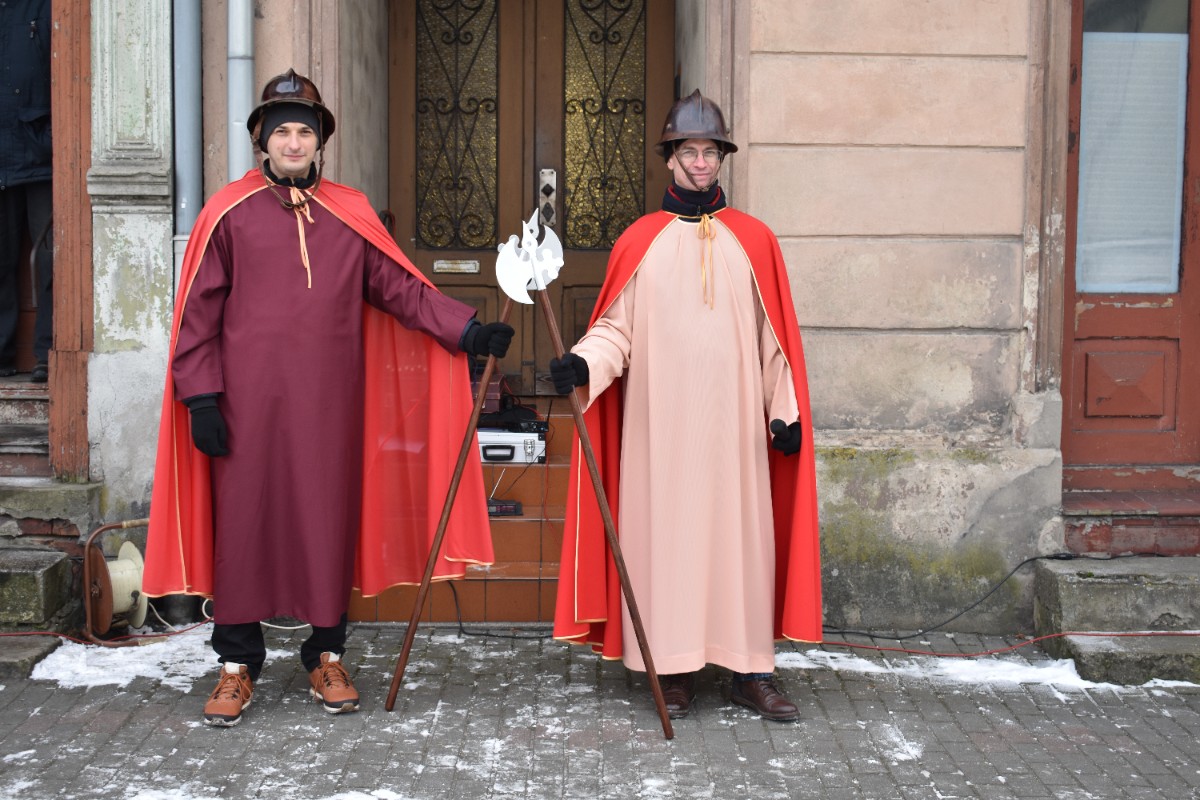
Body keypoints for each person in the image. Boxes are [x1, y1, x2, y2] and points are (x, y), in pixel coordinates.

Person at [143, 69, 512, 727]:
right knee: (243, 527)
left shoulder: (348, 212)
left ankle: (326, 654)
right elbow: (196, 315)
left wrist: (468, 330)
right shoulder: (227, 212)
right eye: (282, 131)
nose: (293, 142)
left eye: (304, 132)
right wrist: (201, 398)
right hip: (245, 407)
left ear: (319, 142)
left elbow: (401, 289)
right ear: (262, 139)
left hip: (329, 408)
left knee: (325, 524)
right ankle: (237, 664)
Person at [549, 90, 821, 721]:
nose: (700, 163)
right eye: (689, 152)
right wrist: (584, 364)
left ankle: (750, 670)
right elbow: (616, 330)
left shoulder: (755, 240)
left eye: (710, 153)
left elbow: (775, 340)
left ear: (721, 158)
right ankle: (671, 669)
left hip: (735, 435)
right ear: (670, 158)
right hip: (662, 431)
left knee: (740, 546)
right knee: (667, 544)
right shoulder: (639, 241)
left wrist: (783, 413)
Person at [0, 0, 54, 383]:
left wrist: (49, 138)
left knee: (50, 260)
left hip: (41, 160)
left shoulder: (46, 7)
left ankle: (48, 353)